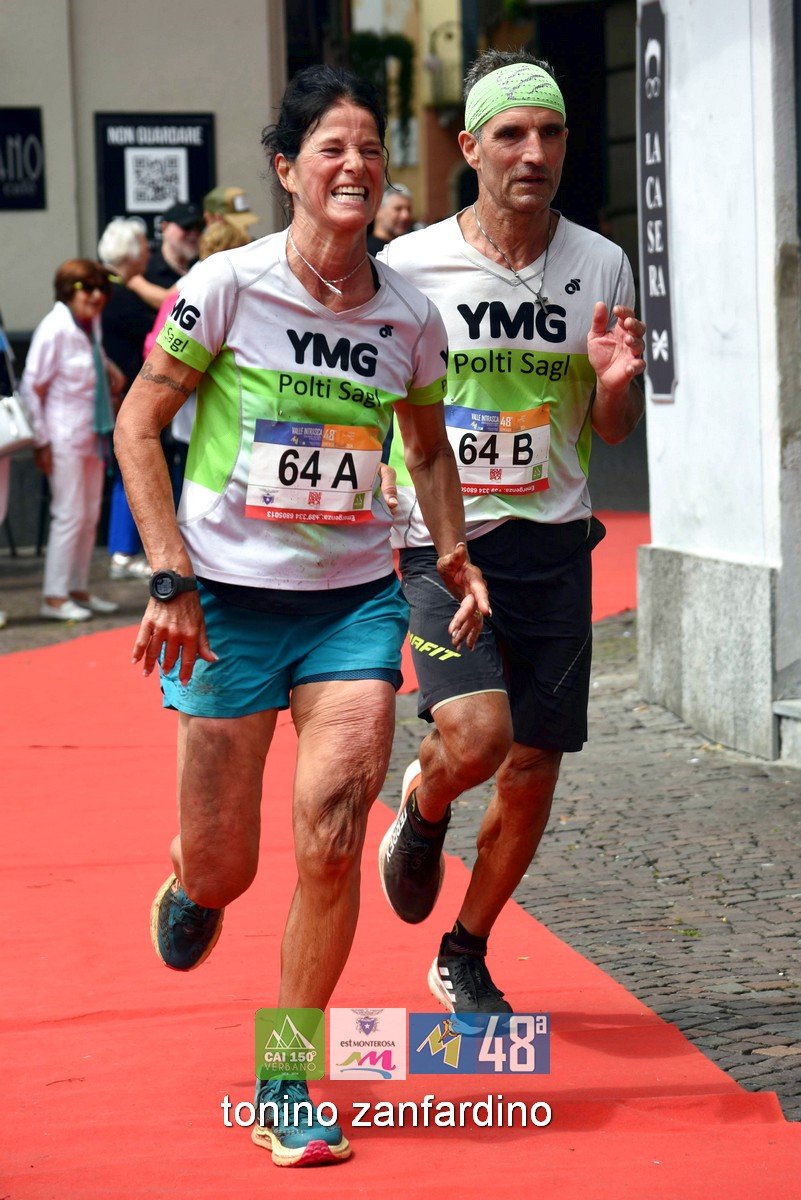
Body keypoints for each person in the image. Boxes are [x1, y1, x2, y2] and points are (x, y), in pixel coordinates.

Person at [115, 65, 488, 1168]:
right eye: (332, 146)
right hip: (225, 603)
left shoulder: (409, 315)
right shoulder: (225, 287)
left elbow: (426, 450)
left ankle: (287, 1078)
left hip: (351, 606)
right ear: (287, 169)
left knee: (330, 836)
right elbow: (138, 426)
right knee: (226, 865)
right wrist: (170, 576)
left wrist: (453, 553)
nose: (356, 164)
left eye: (370, 147)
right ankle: (194, 881)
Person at [377, 50, 646, 1014]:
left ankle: (465, 949)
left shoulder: (600, 263)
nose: (533, 153)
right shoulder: (409, 266)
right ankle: (423, 805)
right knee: (478, 736)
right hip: (443, 539)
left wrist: (613, 387)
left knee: (532, 768)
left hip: (554, 541)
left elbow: (610, 428)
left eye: (550, 133)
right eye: (511, 135)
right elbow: (378, 398)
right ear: (470, 148)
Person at [21, 260, 125, 621]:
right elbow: (31, 387)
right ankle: (54, 596)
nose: (96, 296)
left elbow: (90, 360)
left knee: (89, 514)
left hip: (92, 433)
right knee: (68, 515)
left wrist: (108, 367)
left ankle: (78, 589)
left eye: (102, 289)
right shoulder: (54, 328)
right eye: (87, 288)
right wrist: (41, 442)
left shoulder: (89, 324)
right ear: (68, 291)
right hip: (62, 436)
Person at [98, 217, 166, 581]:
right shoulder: (118, 295)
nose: (149, 252)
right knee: (131, 469)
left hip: (119, 395)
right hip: (122, 397)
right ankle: (123, 552)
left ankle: (123, 550)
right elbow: (162, 319)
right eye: (142, 245)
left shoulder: (116, 290)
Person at [144, 202, 203, 288]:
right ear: (164, 227)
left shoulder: (205, 267)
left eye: (199, 227)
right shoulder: (145, 270)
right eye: (187, 226)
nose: (194, 233)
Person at [367, 183, 413, 255]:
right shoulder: (365, 254)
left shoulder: (409, 250)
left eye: (409, 210)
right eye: (398, 209)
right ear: (378, 210)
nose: (405, 216)